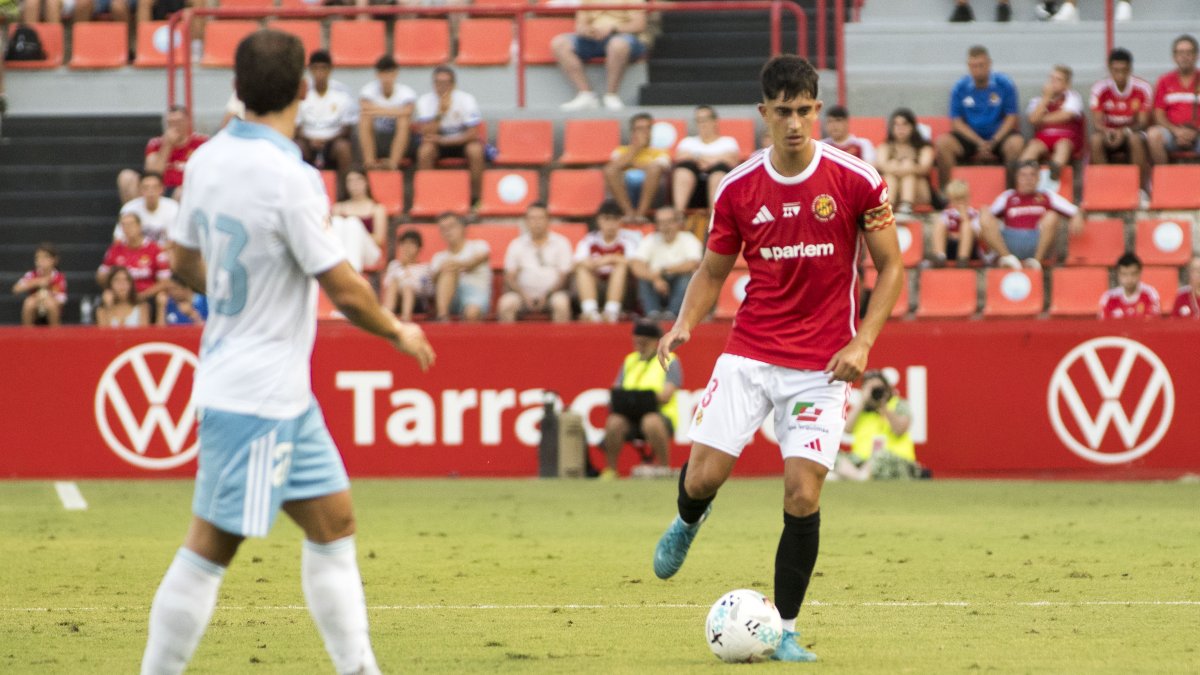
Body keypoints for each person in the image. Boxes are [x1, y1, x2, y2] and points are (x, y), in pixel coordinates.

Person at [140, 30, 434, 675]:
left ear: (237, 88)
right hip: (256, 393)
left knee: (335, 523)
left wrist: (229, 288)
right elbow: (346, 289)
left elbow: (183, 261)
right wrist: (398, 331)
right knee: (209, 548)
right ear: (302, 89)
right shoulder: (292, 178)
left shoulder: (205, 161)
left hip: (280, 393)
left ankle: (359, 668)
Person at [650, 55, 904, 663]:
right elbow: (713, 271)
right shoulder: (737, 188)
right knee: (703, 478)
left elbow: (892, 266)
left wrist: (862, 342)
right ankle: (687, 521)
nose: (794, 123)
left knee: (802, 493)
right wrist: (685, 322)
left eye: (804, 110)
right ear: (764, 113)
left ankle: (785, 629)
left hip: (822, 365)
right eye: (783, 111)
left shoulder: (856, 179)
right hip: (752, 352)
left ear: (817, 109)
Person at [601, 320, 681, 480]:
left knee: (650, 421)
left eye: (644, 342)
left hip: (660, 415)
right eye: (636, 342)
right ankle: (611, 470)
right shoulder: (630, 360)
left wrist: (643, 398)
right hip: (629, 415)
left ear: (655, 342)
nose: (640, 346)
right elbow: (616, 388)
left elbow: (666, 395)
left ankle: (664, 468)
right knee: (614, 422)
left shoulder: (670, 360)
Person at [935, 45, 1023, 189]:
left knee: (1016, 144)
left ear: (989, 64)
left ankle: (1011, 193)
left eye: (981, 65)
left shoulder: (1004, 84)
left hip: (998, 137)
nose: (977, 70)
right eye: (974, 66)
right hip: (970, 138)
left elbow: (1011, 117)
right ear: (968, 66)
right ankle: (947, 193)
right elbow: (956, 122)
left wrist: (994, 141)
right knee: (943, 143)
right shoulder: (960, 87)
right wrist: (978, 142)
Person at [979, 160, 1083, 269]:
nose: (1028, 179)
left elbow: (1075, 210)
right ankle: (1008, 258)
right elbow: (986, 220)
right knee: (984, 213)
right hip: (1010, 240)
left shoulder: (1047, 196)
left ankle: (1036, 262)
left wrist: (1078, 215)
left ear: (1038, 178)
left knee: (1052, 216)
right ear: (1016, 178)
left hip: (1036, 240)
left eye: (1032, 175)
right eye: (1023, 175)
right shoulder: (1007, 196)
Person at [552, 0, 650, 111]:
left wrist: (612, 29)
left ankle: (611, 95)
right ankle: (586, 94)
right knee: (560, 43)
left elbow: (639, 25)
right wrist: (587, 31)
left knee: (618, 44)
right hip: (592, 38)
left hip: (623, 36)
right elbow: (580, 25)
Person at [413, 65, 486, 205]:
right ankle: (427, 198)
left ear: (453, 85)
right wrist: (440, 112)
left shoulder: (466, 99)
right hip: (437, 144)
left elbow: (473, 133)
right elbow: (427, 133)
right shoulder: (425, 101)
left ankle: (476, 198)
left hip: (461, 142)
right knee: (425, 151)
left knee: (476, 151)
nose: (442, 87)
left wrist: (444, 141)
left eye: (446, 83)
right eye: (438, 83)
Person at [834, 370, 920, 482]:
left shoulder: (897, 404)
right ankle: (859, 477)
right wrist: (862, 401)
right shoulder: (861, 410)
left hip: (893, 461)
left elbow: (900, 429)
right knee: (833, 456)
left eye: (879, 389)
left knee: (879, 455)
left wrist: (883, 406)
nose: (875, 392)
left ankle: (855, 478)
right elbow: (847, 429)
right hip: (861, 462)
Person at [1089, 48, 1153, 197]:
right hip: (1108, 134)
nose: (1120, 75)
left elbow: (1143, 122)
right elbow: (1097, 122)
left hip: (1133, 132)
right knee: (1095, 140)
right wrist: (1108, 132)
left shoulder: (1143, 88)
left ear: (1130, 69)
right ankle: (1105, 189)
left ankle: (1139, 190)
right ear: (1109, 69)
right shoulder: (1099, 88)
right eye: (1116, 70)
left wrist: (1124, 132)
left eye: (1124, 70)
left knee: (1135, 140)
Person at [497, 203, 573, 323]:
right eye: (532, 218)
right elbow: (510, 276)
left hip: (553, 294)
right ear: (526, 221)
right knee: (506, 304)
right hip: (522, 295)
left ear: (548, 220)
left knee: (561, 304)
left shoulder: (561, 243)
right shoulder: (516, 244)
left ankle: (561, 336)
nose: (537, 222)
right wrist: (524, 295)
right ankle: (508, 336)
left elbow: (564, 277)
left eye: (540, 218)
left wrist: (547, 295)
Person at [117, 106, 208, 203]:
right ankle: (133, 212)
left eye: (178, 122)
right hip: (159, 189)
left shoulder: (201, 142)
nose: (175, 126)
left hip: (185, 189)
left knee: (181, 192)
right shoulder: (156, 144)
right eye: (171, 123)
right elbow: (151, 175)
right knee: (125, 177)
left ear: (187, 122)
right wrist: (167, 145)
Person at [631, 206, 703, 320]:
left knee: (686, 277)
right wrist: (654, 278)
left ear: (678, 223)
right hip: (655, 284)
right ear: (657, 225)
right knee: (643, 279)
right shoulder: (650, 239)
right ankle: (652, 313)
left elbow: (693, 263)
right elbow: (636, 265)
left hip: (679, 284)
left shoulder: (689, 239)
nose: (665, 226)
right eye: (661, 223)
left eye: (669, 222)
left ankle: (673, 313)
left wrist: (663, 270)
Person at [574, 198, 639, 322]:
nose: (611, 224)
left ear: (620, 221)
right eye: (607, 219)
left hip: (624, 290)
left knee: (621, 266)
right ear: (599, 220)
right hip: (596, 285)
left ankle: (611, 311)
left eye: (615, 219)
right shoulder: (589, 240)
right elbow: (577, 262)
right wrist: (592, 264)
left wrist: (611, 258)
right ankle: (590, 311)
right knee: (582, 269)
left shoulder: (628, 240)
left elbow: (635, 264)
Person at [1018, 65, 1085, 187]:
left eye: (1058, 80)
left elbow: (1066, 115)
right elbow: (1032, 119)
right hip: (1043, 138)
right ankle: (1022, 169)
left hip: (1066, 138)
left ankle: (1055, 169)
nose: (1053, 82)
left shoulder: (1073, 97)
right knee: (1034, 146)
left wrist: (1041, 119)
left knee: (1063, 145)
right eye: (1051, 79)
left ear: (1067, 84)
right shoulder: (1038, 100)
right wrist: (1046, 98)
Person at [296, 50, 357, 177]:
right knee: (296, 147)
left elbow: (347, 128)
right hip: (308, 141)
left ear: (330, 70)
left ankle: (344, 188)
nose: (319, 73)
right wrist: (311, 140)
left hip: (332, 142)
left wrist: (327, 140)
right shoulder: (301, 92)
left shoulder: (342, 92)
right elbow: (296, 127)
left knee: (343, 148)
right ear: (310, 70)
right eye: (316, 68)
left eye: (323, 68)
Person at [672, 105, 741, 212]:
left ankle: (715, 215)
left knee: (718, 173)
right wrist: (715, 158)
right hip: (693, 188)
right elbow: (680, 157)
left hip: (718, 185)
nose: (702, 124)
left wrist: (698, 158)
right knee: (683, 170)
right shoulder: (687, 142)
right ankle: (679, 214)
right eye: (698, 120)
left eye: (705, 119)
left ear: (715, 121)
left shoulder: (728, 141)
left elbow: (732, 160)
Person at [605, 112, 671, 221]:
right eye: (640, 129)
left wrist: (630, 164)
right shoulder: (621, 150)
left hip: (654, 196)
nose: (644, 132)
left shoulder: (660, 152)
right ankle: (629, 213)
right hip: (625, 194)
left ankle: (641, 214)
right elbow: (612, 169)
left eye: (648, 128)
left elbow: (660, 167)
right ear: (632, 131)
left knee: (654, 169)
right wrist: (636, 148)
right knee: (610, 170)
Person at [1148, 35, 1200, 165]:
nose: (1184, 56)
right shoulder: (1164, 81)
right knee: (1154, 135)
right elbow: (1158, 115)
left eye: (1189, 52)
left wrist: (1195, 132)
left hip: (1198, 133)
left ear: (1196, 55)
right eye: (1180, 52)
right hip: (1172, 133)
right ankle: (1164, 177)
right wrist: (1177, 131)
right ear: (1174, 56)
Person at [358, 55, 416, 171]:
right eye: (383, 73)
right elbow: (365, 109)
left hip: (398, 137)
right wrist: (396, 111)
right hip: (377, 136)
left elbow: (409, 111)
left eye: (389, 73)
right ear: (377, 74)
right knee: (365, 119)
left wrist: (376, 110)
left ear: (396, 73)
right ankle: (369, 162)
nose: (386, 77)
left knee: (403, 121)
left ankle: (393, 163)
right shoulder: (368, 90)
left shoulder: (406, 92)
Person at [430, 211, 491, 321]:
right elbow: (433, 281)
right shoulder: (438, 257)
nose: (447, 231)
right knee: (448, 271)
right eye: (443, 228)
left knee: (472, 313)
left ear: (463, 228)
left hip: (475, 294)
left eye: (451, 226)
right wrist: (442, 270)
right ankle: (442, 317)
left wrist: (456, 265)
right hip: (450, 298)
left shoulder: (479, 245)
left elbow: (479, 259)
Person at [97, 213, 171, 302]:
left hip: (147, 296)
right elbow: (101, 276)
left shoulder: (155, 249)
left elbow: (165, 281)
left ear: (139, 226)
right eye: (124, 225)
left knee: (161, 298)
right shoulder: (115, 249)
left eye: (131, 224)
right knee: (107, 296)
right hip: (121, 297)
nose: (128, 228)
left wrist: (143, 295)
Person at [875, 107, 934, 214]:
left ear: (912, 127)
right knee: (890, 175)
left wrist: (910, 167)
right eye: (896, 125)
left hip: (918, 191)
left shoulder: (924, 147)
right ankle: (888, 206)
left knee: (909, 174)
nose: (900, 128)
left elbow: (925, 168)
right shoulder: (885, 147)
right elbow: (881, 165)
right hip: (893, 187)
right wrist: (899, 167)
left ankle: (906, 206)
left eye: (904, 124)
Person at [928, 179, 985, 267]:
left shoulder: (974, 214)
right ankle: (940, 256)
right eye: (955, 200)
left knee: (967, 226)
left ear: (968, 198)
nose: (959, 203)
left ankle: (963, 259)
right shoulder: (947, 214)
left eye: (962, 199)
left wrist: (965, 219)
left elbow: (980, 235)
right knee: (940, 224)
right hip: (951, 246)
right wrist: (951, 234)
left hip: (970, 249)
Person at [381, 229, 431, 322]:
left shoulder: (424, 268)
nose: (407, 247)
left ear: (419, 248)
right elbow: (387, 283)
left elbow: (425, 289)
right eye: (404, 244)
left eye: (411, 244)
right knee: (394, 283)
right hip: (397, 300)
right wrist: (402, 268)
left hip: (417, 301)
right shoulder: (394, 265)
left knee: (407, 286)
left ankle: (406, 319)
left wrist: (407, 276)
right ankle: (386, 317)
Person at [12, 242, 66, 327]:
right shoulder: (31, 275)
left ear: (54, 260)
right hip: (35, 307)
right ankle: (27, 332)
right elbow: (16, 289)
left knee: (50, 304)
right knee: (29, 303)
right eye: (38, 258)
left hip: (51, 306)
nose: (41, 261)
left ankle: (55, 331)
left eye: (45, 257)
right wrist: (36, 282)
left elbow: (62, 300)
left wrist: (46, 298)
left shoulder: (58, 277)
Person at [332, 169, 388, 250]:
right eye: (350, 181)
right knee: (337, 221)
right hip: (344, 248)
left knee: (352, 222)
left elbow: (379, 239)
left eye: (358, 180)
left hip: (369, 249)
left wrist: (356, 234)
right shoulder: (338, 208)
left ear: (366, 182)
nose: (355, 184)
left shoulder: (377, 208)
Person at [117, 172, 179, 244]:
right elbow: (119, 238)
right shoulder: (129, 209)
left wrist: (154, 250)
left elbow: (176, 241)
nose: (151, 192)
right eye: (146, 188)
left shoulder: (173, 207)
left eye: (155, 187)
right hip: (137, 250)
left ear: (162, 189)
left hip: (165, 249)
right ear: (140, 189)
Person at [1100, 252, 1161, 319]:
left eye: (1133, 274)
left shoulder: (1150, 294)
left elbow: (1153, 322)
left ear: (1139, 273)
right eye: (1124, 274)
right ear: (1118, 274)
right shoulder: (1109, 298)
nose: (1129, 278)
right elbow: (1104, 324)